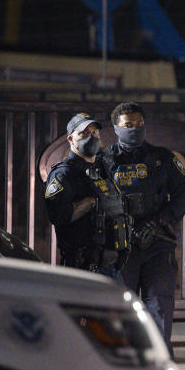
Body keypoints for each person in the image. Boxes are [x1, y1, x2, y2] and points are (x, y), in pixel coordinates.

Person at [106, 102, 185, 355]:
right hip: (121, 246)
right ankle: (123, 362)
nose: (135, 130)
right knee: (122, 308)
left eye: (139, 124)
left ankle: (160, 360)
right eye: (128, 126)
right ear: (116, 128)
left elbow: (182, 195)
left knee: (160, 305)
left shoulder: (163, 159)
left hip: (157, 243)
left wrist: (161, 221)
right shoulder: (104, 160)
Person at [44, 113, 130, 279]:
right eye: (83, 133)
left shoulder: (103, 169)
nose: (91, 137)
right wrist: (91, 203)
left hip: (112, 264)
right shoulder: (64, 174)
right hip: (82, 267)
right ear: (70, 139)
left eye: (94, 133)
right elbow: (57, 215)